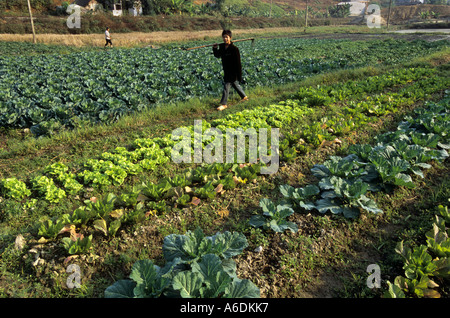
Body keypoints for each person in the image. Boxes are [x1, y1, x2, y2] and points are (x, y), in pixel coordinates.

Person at [213, 30, 248, 111]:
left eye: (227, 37)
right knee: (235, 84)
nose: (225, 38)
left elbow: (238, 63)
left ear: (230, 38)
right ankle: (244, 96)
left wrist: (239, 75)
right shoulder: (222, 47)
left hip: (233, 71)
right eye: (224, 37)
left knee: (226, 86)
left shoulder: (234, 49)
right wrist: (215, 49)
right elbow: (217, 55)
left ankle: (224, 104)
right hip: (226, 70)